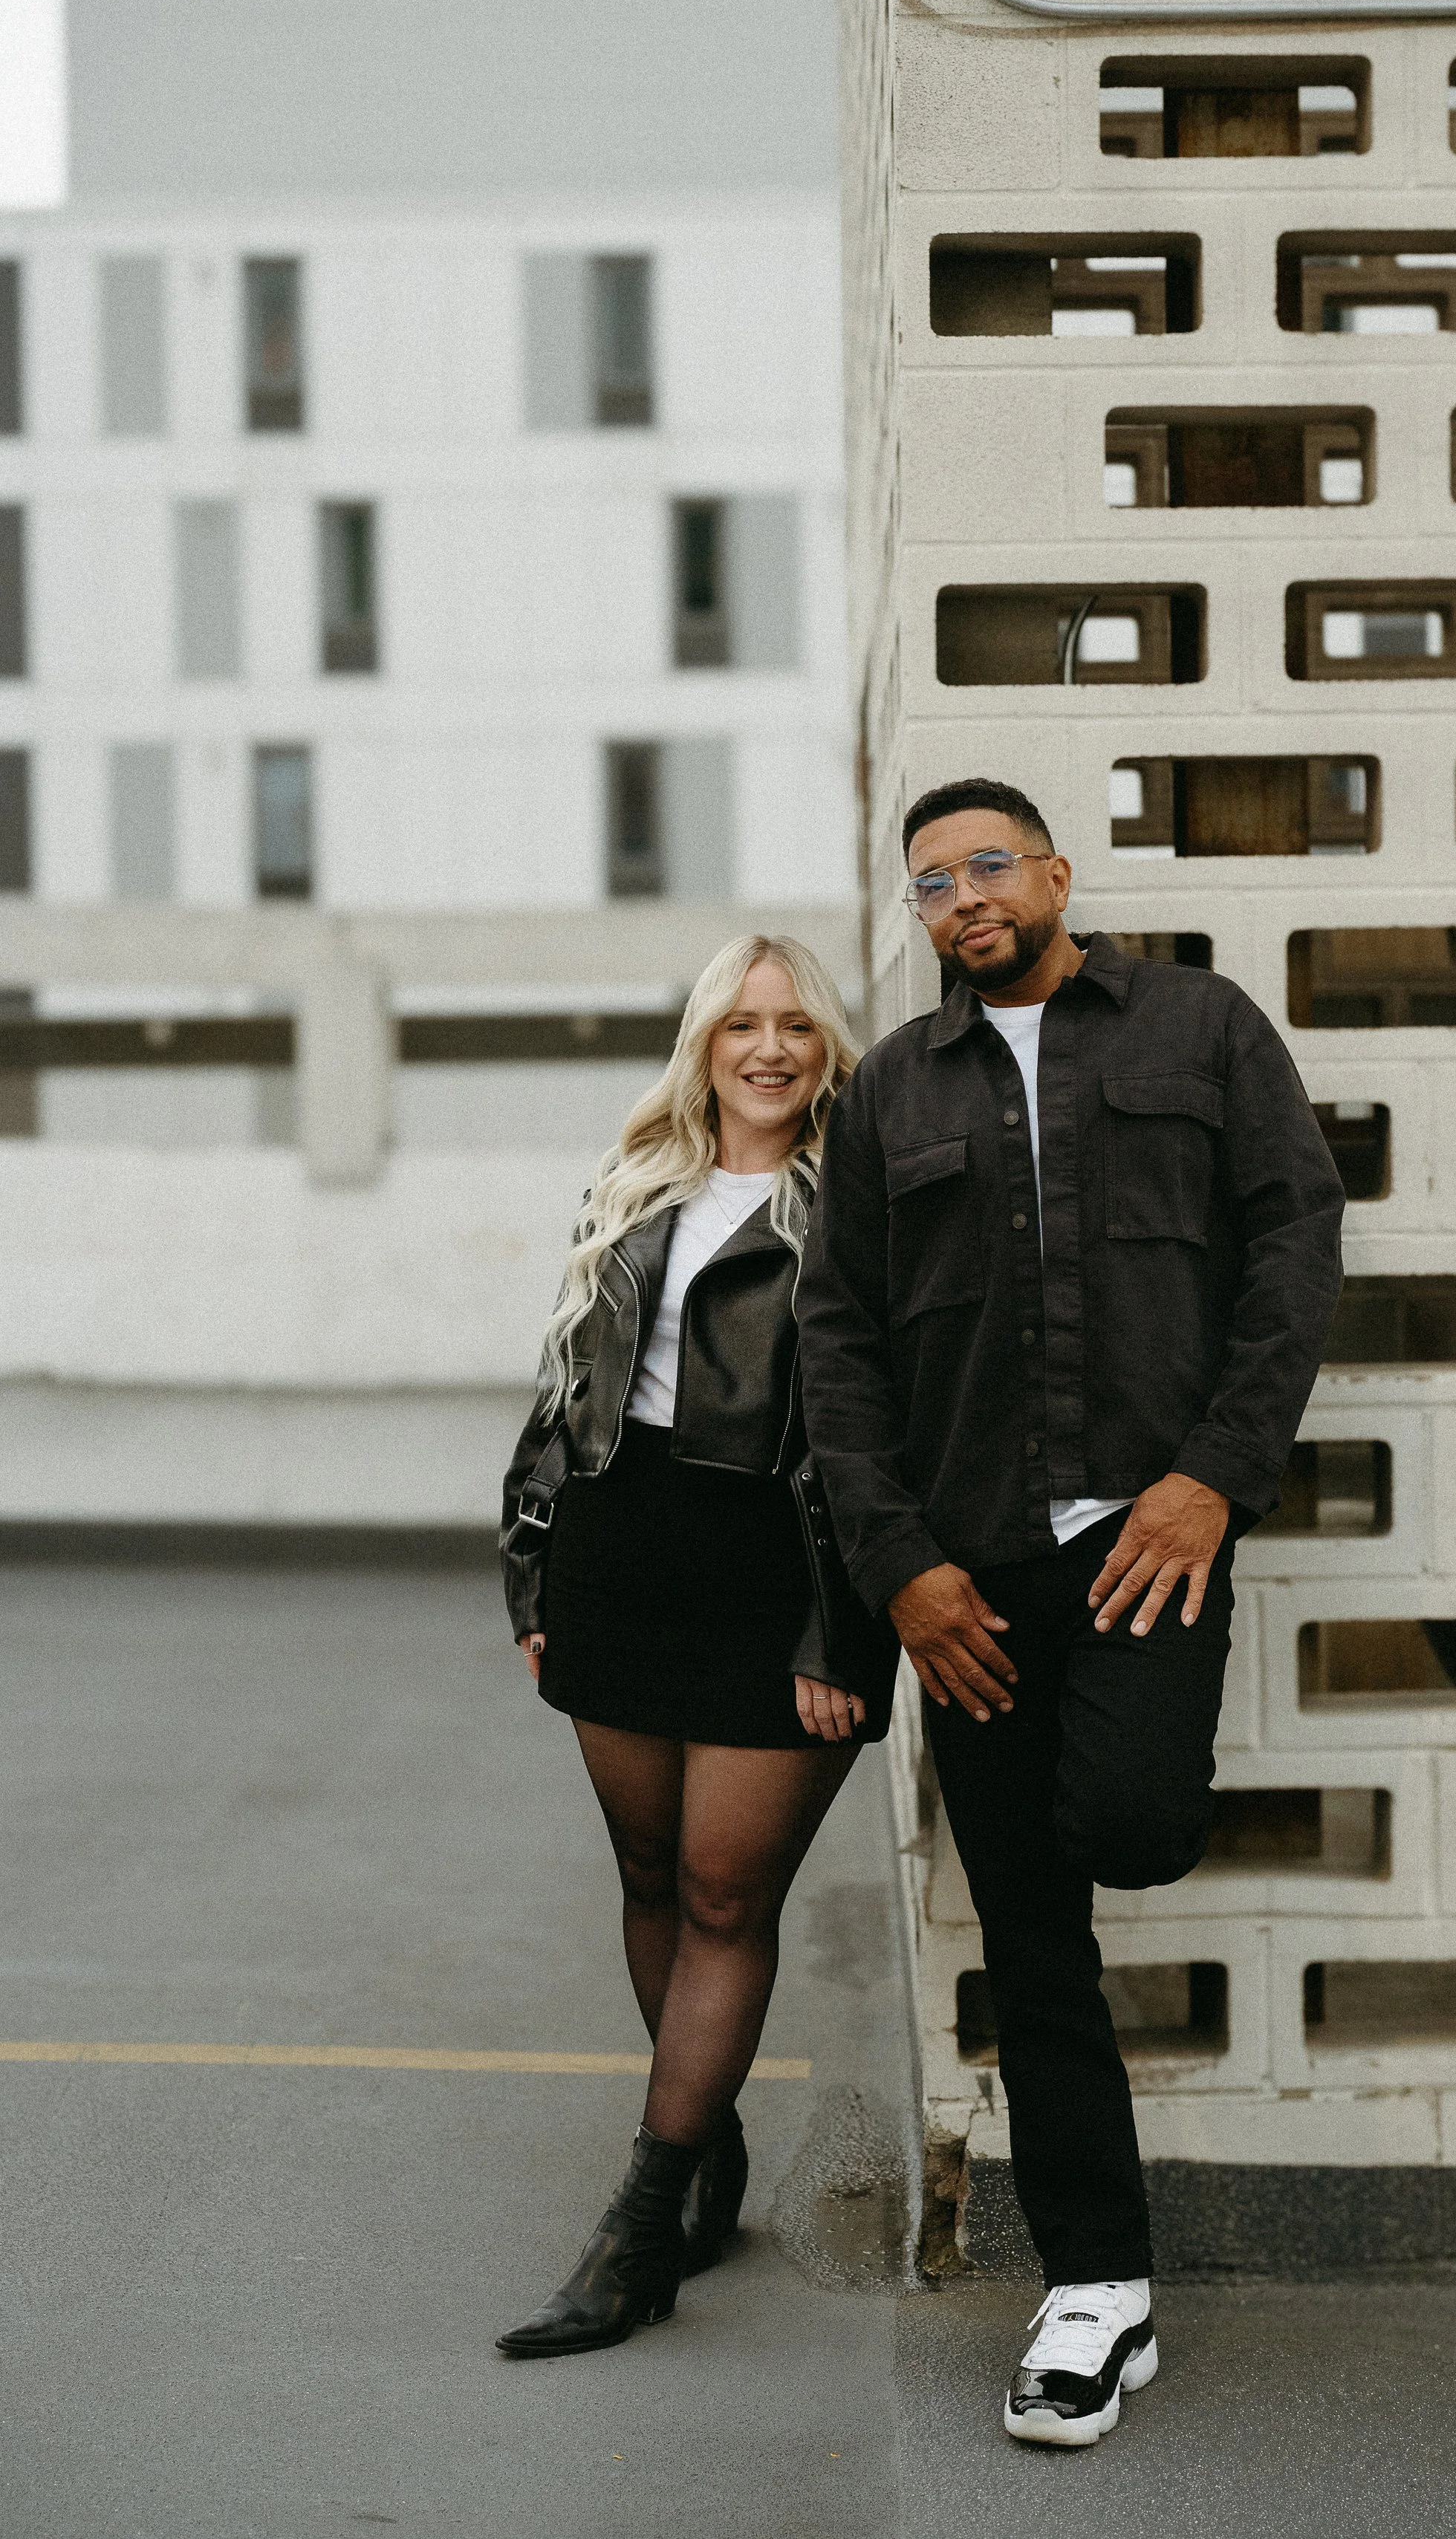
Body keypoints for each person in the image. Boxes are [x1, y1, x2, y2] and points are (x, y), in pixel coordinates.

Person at [796, 780, 1343, 2446]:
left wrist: (1214, 1477)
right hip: (965, 1579)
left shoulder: (1197, 1026)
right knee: (1033, 1942)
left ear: (1048, 873)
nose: (958, 899)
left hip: (1143, 1540)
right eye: (926, 887)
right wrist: (898, 1570)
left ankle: (1098, 2269)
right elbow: (839, 1342)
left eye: (981, 866)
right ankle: (1095, 2291)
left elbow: (1295, 1237)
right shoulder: (894, 1090)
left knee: (1130, 1820)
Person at [495, 933, 894, 2359]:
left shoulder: (861, 1199)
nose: (771, 1047)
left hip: (774, 1575)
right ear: (705, 1043)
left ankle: (640, 2223)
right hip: (620, 1556)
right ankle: (708, 2145)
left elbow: (870, 1438)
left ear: (828, 1048)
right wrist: (532, 1571)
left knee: (729, 1895)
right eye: (744, 1022)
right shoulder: (635, 1184)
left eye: (797, 1024)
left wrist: (843, 1622)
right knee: (652, 1874)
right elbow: (562, 1397)